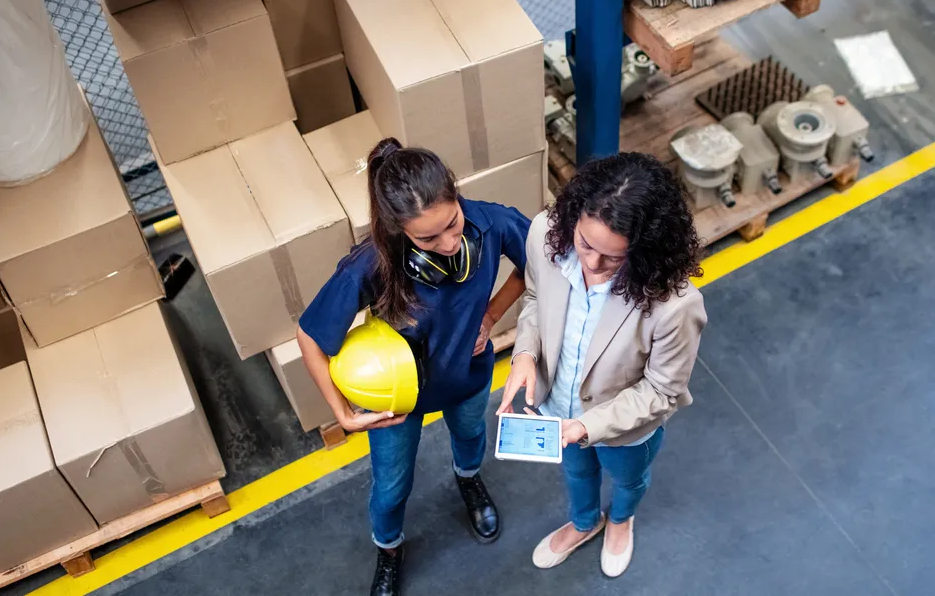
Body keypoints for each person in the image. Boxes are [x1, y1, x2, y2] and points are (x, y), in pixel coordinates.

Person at [297, 138, 529, 596]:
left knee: (470, 438)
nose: (448, 244)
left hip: (467, 378)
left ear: (457, 197)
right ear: (398, 230)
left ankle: (469, 481)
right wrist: (342, 412)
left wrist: (492, 313)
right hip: (396, 401)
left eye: (452, 224)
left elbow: (535, 263)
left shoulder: (492, 222)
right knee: (390, 489)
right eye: (427, 238)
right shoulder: (370, 265)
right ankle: (388, 549)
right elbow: (309, 334)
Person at [498, 152, 707, 578]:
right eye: (585, 244)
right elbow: (536, 301)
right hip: (558, 407)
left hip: (627, 429)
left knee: (628, 481)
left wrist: (587, 428)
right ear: (573, 218)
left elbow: (662, 391)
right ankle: (585, 522)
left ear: (646, 252)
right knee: (577, 474)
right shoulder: (544, 234)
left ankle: (620, 519)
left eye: (613, 258)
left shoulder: (675, 306)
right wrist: (524, 354)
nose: (592, 265)